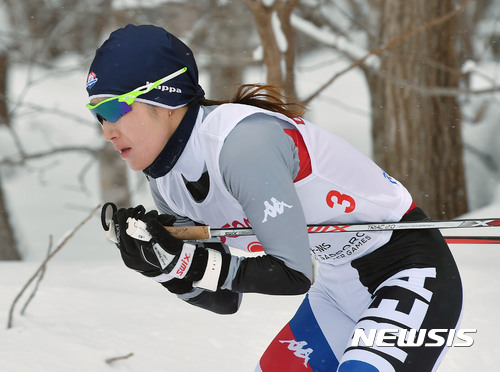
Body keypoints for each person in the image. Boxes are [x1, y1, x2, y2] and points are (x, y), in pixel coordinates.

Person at [86, 24, 463, 372]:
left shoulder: (241, 146)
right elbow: (224, 299)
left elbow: (292, 274)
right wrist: (163, 267)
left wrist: (188, 262)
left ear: (162, 96)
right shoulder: (166, 179)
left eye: (112, 108)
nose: (107, 131)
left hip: (409, 274)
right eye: (97, 115)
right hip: (336, 289)